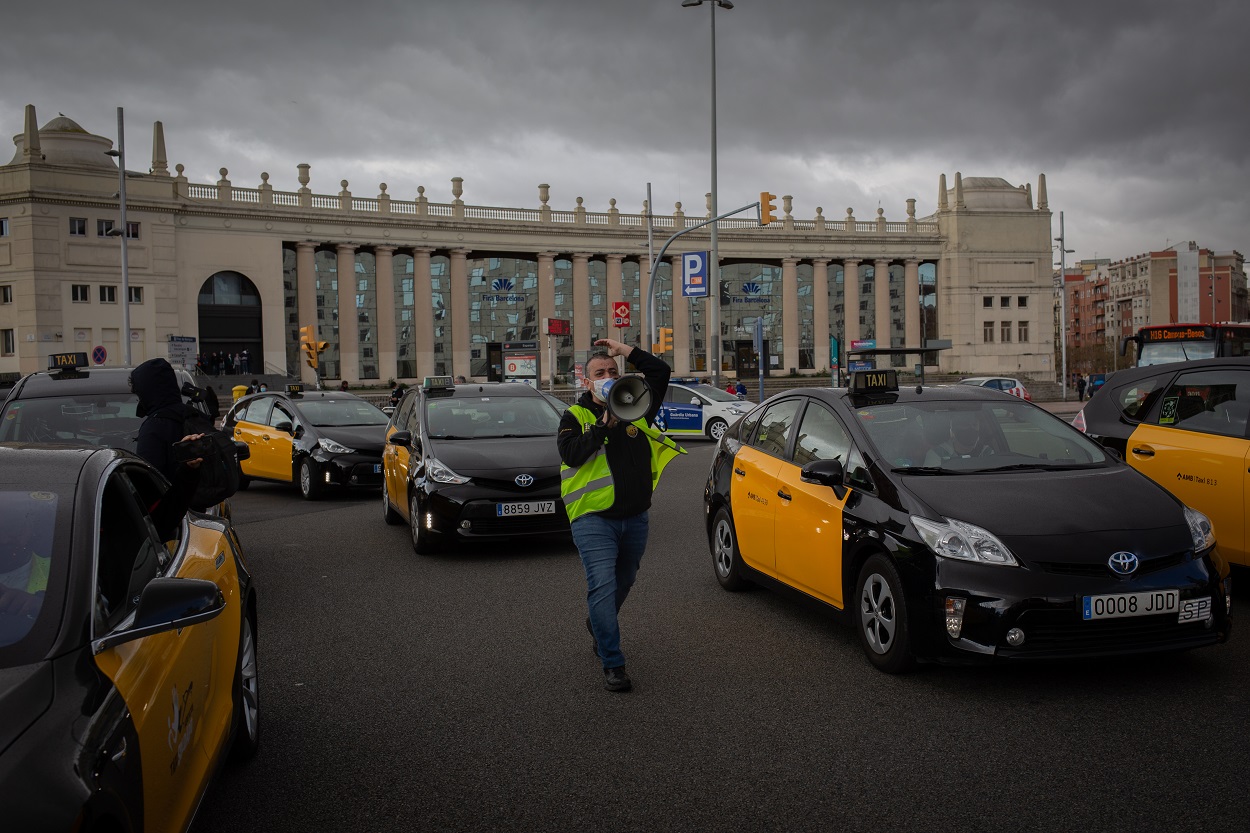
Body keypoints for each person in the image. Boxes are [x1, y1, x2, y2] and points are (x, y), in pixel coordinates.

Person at [557, 338, 684, 693]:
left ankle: (598, 624)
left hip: (636, 516)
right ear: (586, 382)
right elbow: (570, 454)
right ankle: (613, 662)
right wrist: (603, 426)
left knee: (625, 580)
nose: (609, 376)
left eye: (613, 371)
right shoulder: (575, 416)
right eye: (600, 372)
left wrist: (623, 349)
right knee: (603, 585)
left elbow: (660, 371)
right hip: (593, 518)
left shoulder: (638, 406)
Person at [129, 358, 207, 540]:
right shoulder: (193, 415)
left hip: (166, 525)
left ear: (146, 390)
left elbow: (145, 483)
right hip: (198, 516)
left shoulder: (154, 426)